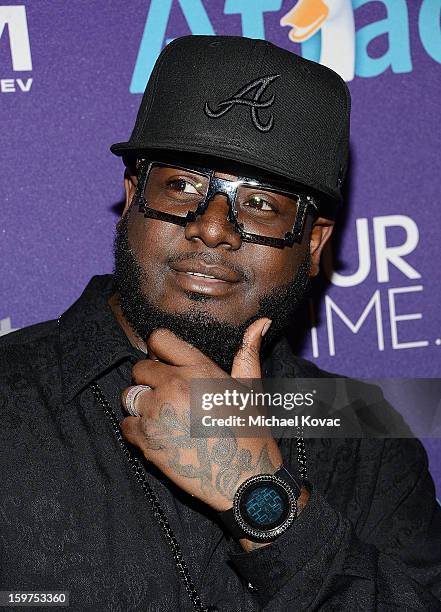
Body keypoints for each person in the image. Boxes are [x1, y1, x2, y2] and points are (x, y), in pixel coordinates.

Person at [1, 35, 440, 612]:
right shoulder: (11, 404)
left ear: (313, 244)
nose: (213, 228)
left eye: (260, 202)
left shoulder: (364, 433)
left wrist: (262, 501)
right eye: (182, 186)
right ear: (132, 196)